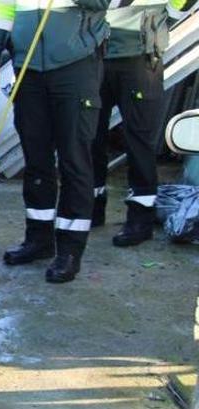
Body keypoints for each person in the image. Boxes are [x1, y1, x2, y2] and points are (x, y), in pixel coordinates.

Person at [0, 0, 127, 283]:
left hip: (75, 67)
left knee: (74, 160)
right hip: (28, 68)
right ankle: (39, 239)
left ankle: (70, 250)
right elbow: (2, 10)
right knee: (36, 160)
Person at [90, 0, 195, 245]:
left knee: (139, 140)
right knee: (90, 136)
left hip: (139, 56)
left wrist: (163, 20)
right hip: (94, 53)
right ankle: (91, 206)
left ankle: (140, 219)